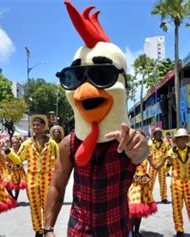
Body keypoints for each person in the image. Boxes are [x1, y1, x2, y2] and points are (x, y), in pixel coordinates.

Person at [44, 2, 149, 236]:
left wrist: (139, 147)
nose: (87, 88)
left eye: (102, 76)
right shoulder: (68, 144)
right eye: (76, 77)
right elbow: (57, 186)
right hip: (79, 230)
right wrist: (47, 228)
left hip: (117, 229)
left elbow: (141, 151)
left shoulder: (128, 139)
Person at [9, 115, 58, 237]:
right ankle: (38, 231)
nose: (36, 127)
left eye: (38, 125)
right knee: (34, 206)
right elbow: (19, 159)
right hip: (32, 178)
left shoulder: (52, 143)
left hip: (48, 178)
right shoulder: (27, 143)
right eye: (34, 125)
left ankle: (47, 229)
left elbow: (59, 161)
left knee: (47, 206)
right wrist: (7, 152)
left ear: (44, 126)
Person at [165, 128, 190, 237]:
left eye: (184, 138)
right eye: (180, 138)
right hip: (176, 182)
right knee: (177, 207)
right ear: (176, 140)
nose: (182, 140)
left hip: (188, 182)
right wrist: (168, 163)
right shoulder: (171, 152)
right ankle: (179, 229)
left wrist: (188, 175)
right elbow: (166, 170)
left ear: (186, 139)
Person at [128, 132, 165, 237]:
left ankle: (136, 231)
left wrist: (164, 160)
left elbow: (156, 167)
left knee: (140, 210)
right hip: (132, 184)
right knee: (132, 207)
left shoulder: (147, 153)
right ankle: (130, 231)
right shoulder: (130, 152)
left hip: (143, 185)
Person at [148, 127, 170, 203]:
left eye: (160, 133)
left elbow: (167, 154)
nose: (158, 134)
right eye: (156, 133)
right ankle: (148, 197)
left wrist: (167, 166)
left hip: (162, 165)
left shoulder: (165, 144)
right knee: (150, 182)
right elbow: (147, 154)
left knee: (163, 182)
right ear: (154, 135)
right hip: (153, 165)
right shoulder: (150, 143)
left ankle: (164, 197)